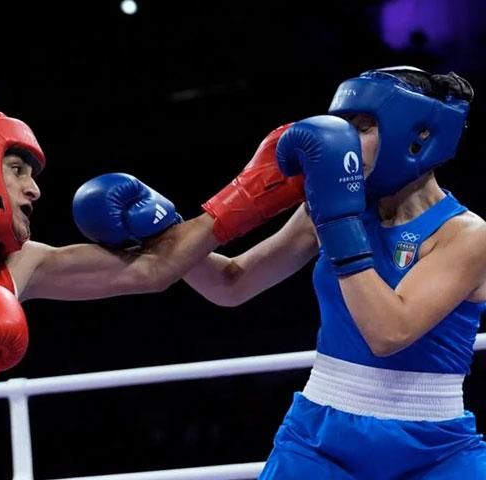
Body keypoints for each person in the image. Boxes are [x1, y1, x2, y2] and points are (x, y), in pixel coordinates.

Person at [0, 112, 304, 479]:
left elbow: (154, 269)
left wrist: (248, 195)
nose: (34, 189)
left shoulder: (19, 266)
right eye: (17, 170)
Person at [183, 66, 486, 478]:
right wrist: (164, 230)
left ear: (418, 136)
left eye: (364, 127)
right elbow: (231, 283)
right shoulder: (326, 208)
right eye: (342, 127)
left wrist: (338, 224)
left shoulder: (466, 235)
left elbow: (388, 332)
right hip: (320, 438)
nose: (345, 142)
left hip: (435, 449)